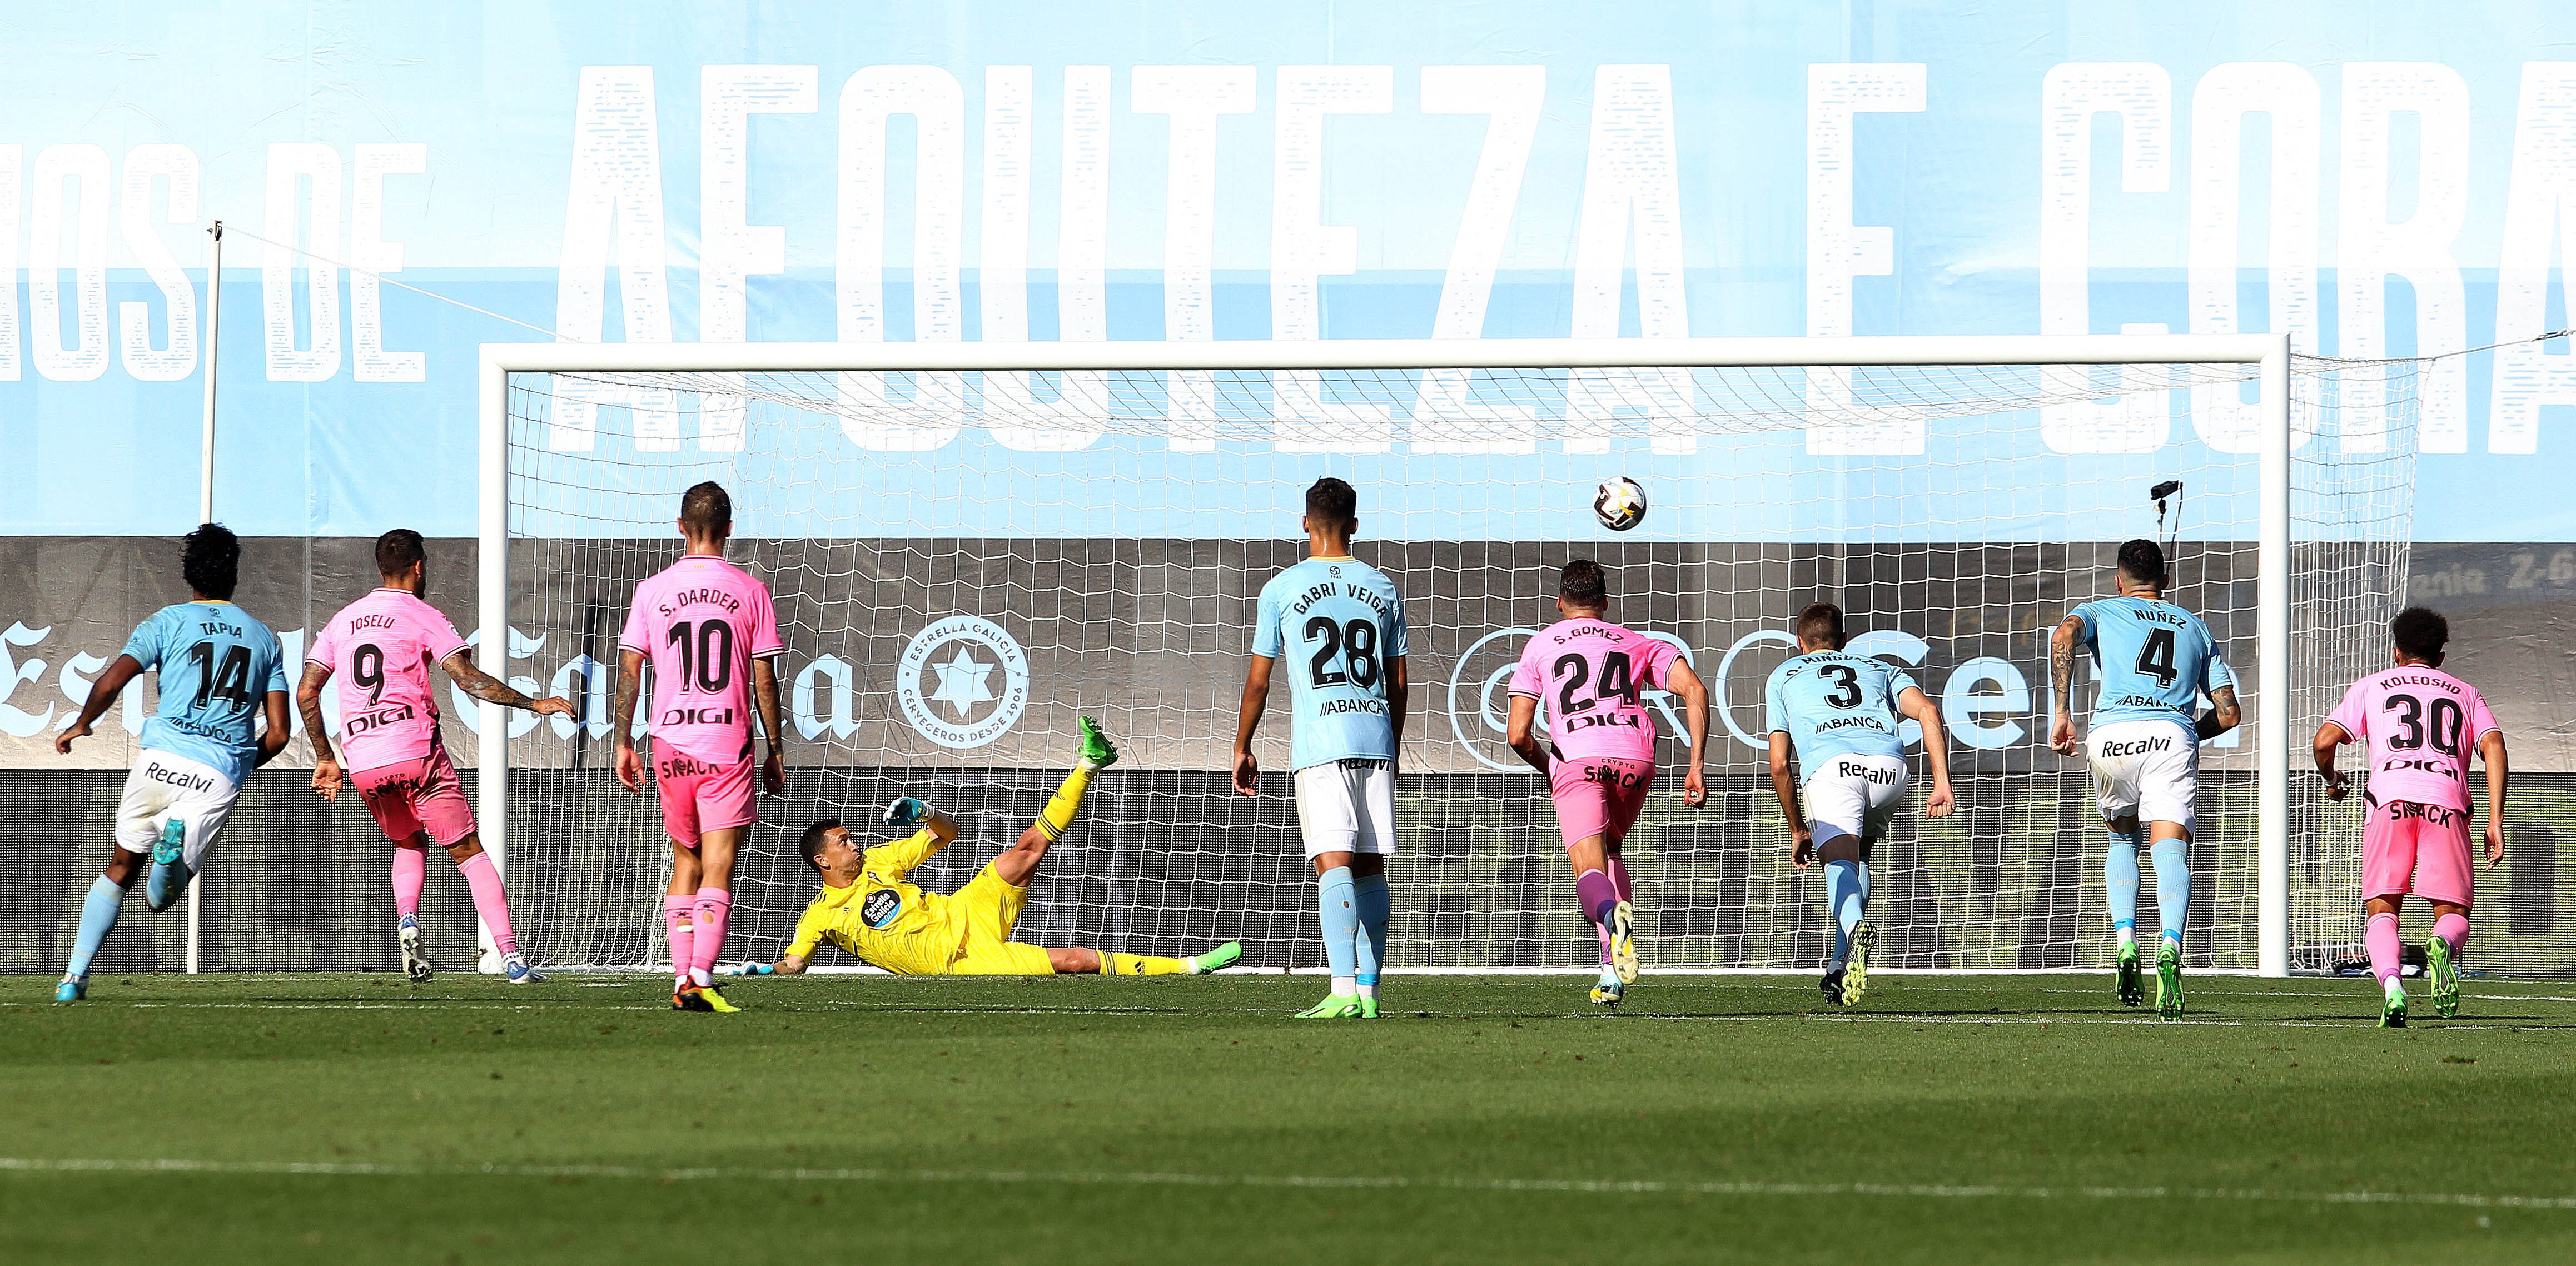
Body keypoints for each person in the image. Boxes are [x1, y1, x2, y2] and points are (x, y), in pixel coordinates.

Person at [300, 529, 574, 984]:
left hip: (365, 761)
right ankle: (512, 959)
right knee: (469, 853)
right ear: (420, 567)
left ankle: (408, 922)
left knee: (408, 842)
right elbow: (466, 678)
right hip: (415, 752)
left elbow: (308, 690)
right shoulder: (422, 614)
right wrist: (533, 704)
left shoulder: (343, 620)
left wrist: (326, 757)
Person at [763, 717, 1241, 978]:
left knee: (1027, 848)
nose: (855, 844)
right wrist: (772, 969)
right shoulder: (820, 915)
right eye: (844, 842)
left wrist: (926, 812)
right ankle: (1191, 966)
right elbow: (796, 963)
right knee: (1074, 960)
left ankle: (1088, 765)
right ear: (823, 860)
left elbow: (945, 835)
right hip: (956, 963)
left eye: (851, 837)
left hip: (963, 912)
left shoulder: (881, 861)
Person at [52, 525, 289, 1001]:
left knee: (120, 864)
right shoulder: (264, 639)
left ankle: (73, 979)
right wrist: (237, 766)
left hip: (158, 762)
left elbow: (112, 681)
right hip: (217, 772)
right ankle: (170, 850)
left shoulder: (166, 622)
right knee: (161, 900)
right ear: (235, 575)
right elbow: (280, 734)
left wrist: (83, 723)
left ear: (188, 574)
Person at [1233, 477, 1409, 1019]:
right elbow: (1398, 682)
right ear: (1354, 525)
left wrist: (1242, 745)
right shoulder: (1381, 586)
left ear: (1304, 522)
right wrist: (1392, 747)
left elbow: (1259, 681)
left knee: (1332, 861)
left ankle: (1340, 990)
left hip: (1322, 744)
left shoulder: (1281, 588)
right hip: (1374, 736)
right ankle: (1370, 993)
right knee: (1371, 865)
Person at [611, 481, 788, 1013]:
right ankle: (700, 977)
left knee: (685, 860)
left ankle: (683, 978)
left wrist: (623, 742)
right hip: (724, 741)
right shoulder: (751, 590)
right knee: (719, 864)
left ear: (680, 527)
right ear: (730, 529)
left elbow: (630, 671)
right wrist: (774, 749)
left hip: (669, 742)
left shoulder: (651, 591)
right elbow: (764, 679)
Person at [1505, 559, 1709, 1008]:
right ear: (1605, 603)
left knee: (1589, 871)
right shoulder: (1636, 642)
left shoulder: (1541, 645)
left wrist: (1551, 767)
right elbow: (1695, 690)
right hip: (1636, 760)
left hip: (1579, 759)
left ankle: (1612, 921)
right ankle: (1611, 974)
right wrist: (1696, 764)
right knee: (1612, 848)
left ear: (1560, 603)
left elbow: (1518, 734)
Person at [2048, 538, 2240, 1018]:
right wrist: (2186, 734)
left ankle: (2125, 941)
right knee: (2170, 846)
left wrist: (2062, 711)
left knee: (2121, 841)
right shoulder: (2194, 625)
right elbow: (2230, 713)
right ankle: (2171, 948)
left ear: (2118, 580)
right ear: (2167, 581)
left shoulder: (2101, 609)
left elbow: (2063, 635)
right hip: (2170, 737)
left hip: (2112, 737)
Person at [2313, 606, 2507, 1027]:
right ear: (2441, 657)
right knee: (2453, 914)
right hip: (2447, 802)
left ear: (2396, 652)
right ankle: (2441, 946)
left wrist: (2332, 778)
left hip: (2390, 801)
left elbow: (2325, 740)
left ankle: (2394, 989)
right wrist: (2495, 818)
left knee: (2382, 910)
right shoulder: (2464, 692)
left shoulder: (2373, 686)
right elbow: (2493, 744)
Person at [1763, 602, 1955, 1006]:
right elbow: (1928, 711)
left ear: (1800, 643)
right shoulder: (1879, 668)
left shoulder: (1783, 675)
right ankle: (1838, 966)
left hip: (1834, 770)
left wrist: (1798, 828)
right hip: (1889, 770)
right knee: (1859, 852)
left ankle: (1854, 928)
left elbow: (1780, 764)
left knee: (1837, 863)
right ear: (1844, 641)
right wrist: (1941, 782)